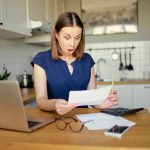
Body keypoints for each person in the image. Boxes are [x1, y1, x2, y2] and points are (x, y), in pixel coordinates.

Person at [31, 12, 118, 115]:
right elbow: (41, 100)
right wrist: (54, 104)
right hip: (54, 122)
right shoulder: (42, 60)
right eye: (67, 37)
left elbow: (92, 98)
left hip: (82, 122)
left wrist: (100, 104)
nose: (72, 44)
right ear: (57, 35)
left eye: (77, 38)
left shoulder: (87, 60)